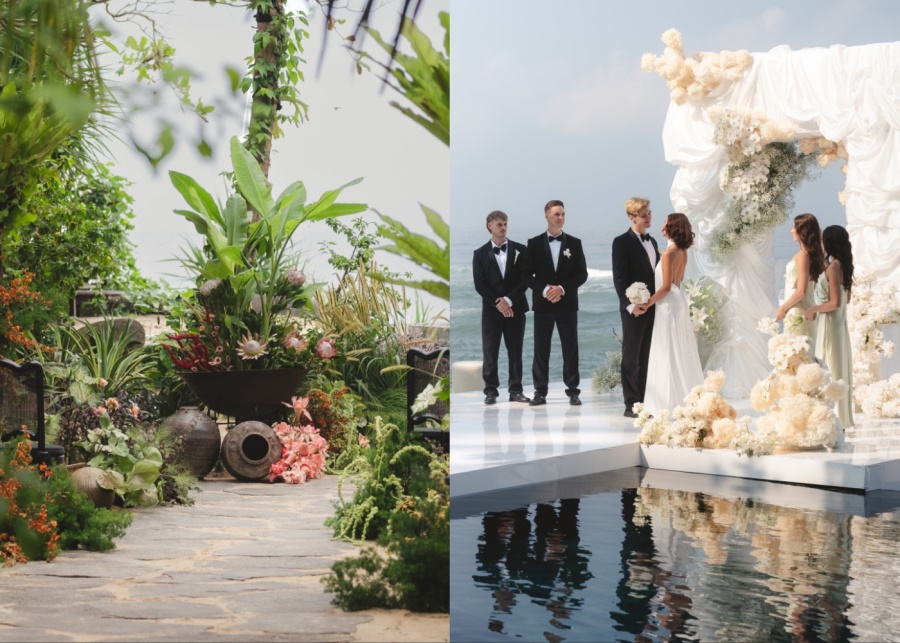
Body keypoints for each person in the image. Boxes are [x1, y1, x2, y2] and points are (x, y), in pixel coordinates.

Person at [635, 213, 704, 414]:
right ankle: (685, 395)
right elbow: (677, 282)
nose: (662, 225)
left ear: (671, 228)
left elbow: (665, 288)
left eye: (665, 222)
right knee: (680, 347)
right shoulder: (683, 251)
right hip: (679, 300)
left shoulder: (668, 254)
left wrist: (647, 303)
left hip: (668, 305)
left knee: (666, 349)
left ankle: (666, 402)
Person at [523, 199, 588, 406]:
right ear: (546, 216)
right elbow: (526, 275)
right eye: (557, 214)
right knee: (541, 349)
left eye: (563, 214)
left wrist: (561, 289)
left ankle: (573, 391)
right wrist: (545, 290)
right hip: (543, 306)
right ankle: (540, 392)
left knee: (570, 349)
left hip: (567, 305)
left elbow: (582, 274)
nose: (561, 218)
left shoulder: (575, 243)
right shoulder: (533, 243)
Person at [473, 210, 531, 405]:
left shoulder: (521, 250)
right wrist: (499, 303)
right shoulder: (479, 254)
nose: (503, 227)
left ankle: (516, 390)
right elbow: (479, 284)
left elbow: (525, 281)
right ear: (490, 225)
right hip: (492, 311)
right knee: (490, 351)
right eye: (499, 224)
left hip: (516, 308)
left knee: (516, 351)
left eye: (505, 224)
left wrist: (509, 300)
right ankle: (491, 391)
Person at [612, 197, 659, 418]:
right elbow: (619, 279)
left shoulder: (653, 242)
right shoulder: (621, 242)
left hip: (653, 307)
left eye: (649, 213)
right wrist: (630, 305)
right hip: (634, 309)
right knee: (631, 357)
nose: (648, 217)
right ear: (632, 217)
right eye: (644, 215)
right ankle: (631, 404)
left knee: (647, 354)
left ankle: (644, 401)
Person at [804, 225, 854, 428]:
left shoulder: (834, 267)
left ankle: (831, 418)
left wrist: (814, 308)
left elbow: (834, 303)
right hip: (839, 325)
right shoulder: (843, 265)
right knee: (836, 364)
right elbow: (845, 300)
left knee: (829, 365)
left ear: (829, 242)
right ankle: (837, 416)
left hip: (831, 325)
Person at [776, 213, 826, 344]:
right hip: (802, 310)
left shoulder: (804, 256)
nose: (791, 231)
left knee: (798, 356)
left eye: (794, 227)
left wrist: (782, 308)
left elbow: (801, 291)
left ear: (802, 231)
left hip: (798, 312)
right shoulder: (810, 255)